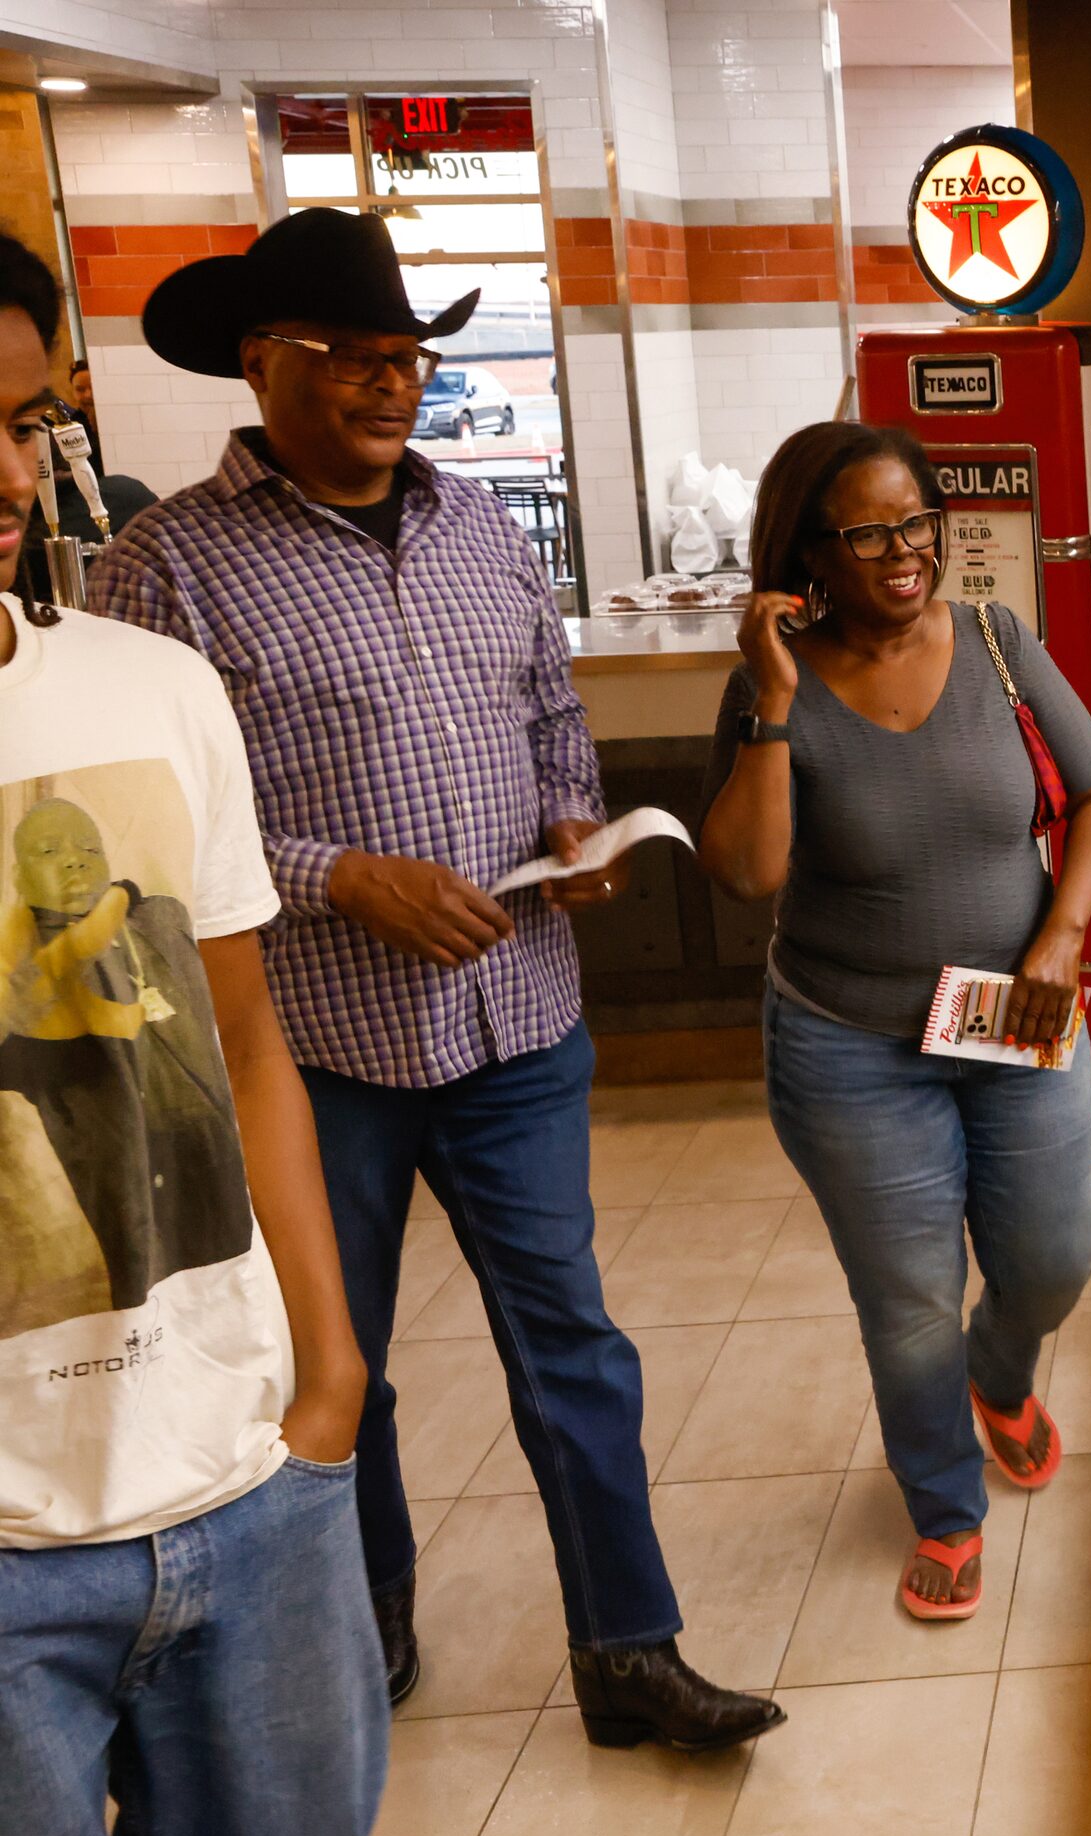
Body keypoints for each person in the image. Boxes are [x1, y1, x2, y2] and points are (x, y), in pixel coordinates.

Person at [86, 207, 781, 1751]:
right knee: (345, 1361)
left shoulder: (480, 528)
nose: (393, 385)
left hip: (518, 1020)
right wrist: (346, 876)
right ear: (264, 361)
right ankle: (369, 1624)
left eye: (409, 357)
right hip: (316, 1046)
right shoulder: (167, 570)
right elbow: (141, 813)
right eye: (354, 358)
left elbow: (549, 711)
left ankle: (628, 1646)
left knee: (572, 1343)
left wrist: (570, 816)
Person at [0, 229, 385, 1836]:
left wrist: (329, 1380)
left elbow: (241, 1034)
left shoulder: (148, 690)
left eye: (22, 420)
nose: (5, 470)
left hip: (246, 1494)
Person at [698, 421, 1091, 1622]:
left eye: (917, 523)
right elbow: (747, 874)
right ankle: (944, 1506)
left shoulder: (995, 641)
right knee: (908, 1299)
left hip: (1011, 1014)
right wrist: (774, 707)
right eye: (869, 532)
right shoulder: (767, 685)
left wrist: (1061, 935)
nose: (903, 554)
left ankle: (1001, 1376)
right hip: (851, 1046)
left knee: (1056, 1256)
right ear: (808, 554)